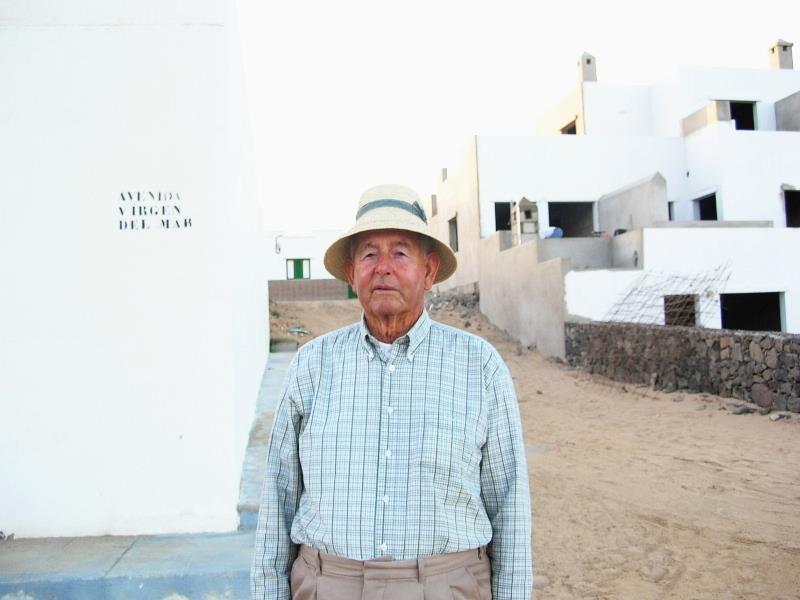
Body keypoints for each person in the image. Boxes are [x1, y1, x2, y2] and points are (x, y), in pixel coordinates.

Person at [251, 184, 532, 600]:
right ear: (351, 273)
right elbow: (278, 499)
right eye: (368, 253)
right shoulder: (311, 366)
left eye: (400, 253)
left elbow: (510, 509)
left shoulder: (480, 366)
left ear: (429, 270)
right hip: (328, 587)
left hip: (447, 588)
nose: (383, 267)